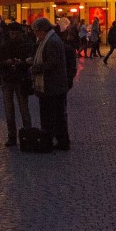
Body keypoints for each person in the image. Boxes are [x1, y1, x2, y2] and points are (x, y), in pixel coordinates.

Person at [31, 18, 70, 151]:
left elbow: (52, 63)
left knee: (53, 115)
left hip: (53, 85)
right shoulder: (49, 39)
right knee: (56, 114)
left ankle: (55, 140)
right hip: (54, 85)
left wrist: (35, 68)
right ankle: (58, 140)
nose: (35, 34)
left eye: (36, 31)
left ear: (43, 30)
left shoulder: (51, 41)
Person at [0, 21, 35, 146]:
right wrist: (7, 63)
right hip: (8, 79)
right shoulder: (4, 45)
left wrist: (20, 63)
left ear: (19, 33)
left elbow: (30, 61)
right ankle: (12, 136)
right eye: (11, 33)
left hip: (20, 79)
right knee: (9, 110)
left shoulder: (26, 45)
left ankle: (28, 136)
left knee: (23, 109)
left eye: (15, 33)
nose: (12, 35)